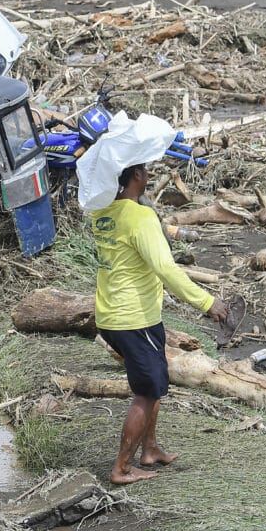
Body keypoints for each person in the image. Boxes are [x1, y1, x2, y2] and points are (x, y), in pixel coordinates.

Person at [90, 162, 228, 485]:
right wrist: (207, 303)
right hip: (133, 318)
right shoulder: (141, 218)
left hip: (111, 315)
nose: (148, 174)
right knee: (147, 391)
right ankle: (121, 468)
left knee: (152, 382)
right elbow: (167, 269)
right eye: (144, 169)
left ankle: (149, 449)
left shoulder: (103, 214)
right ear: (136, 175)